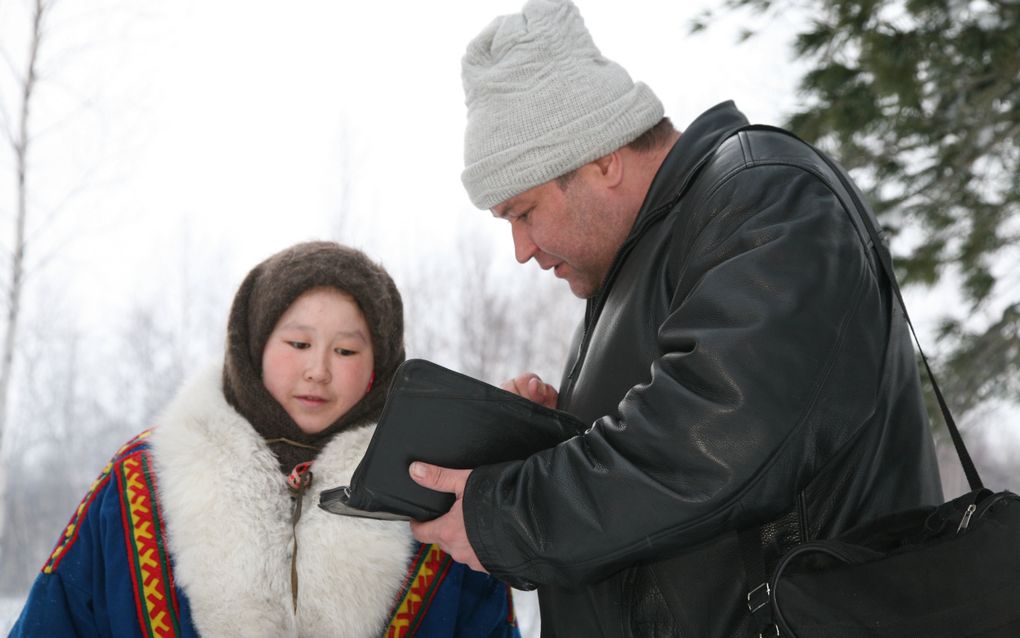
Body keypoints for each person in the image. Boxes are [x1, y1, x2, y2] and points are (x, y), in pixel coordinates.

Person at [408, 1, 945, 636]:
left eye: (523, 212)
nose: (521, 249)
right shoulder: (638, 267)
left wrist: (508, 512)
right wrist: (542, 441)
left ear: (602, 160)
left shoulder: (765, 197)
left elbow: (721, 437)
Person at [11, 241, 519, 637]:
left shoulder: (431, 497)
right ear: (252, 346)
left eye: (345, 351)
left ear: (379, 367)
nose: (317, 371)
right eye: (297, 343)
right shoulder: (139, 483)